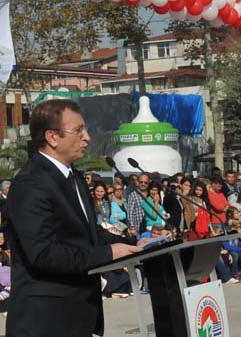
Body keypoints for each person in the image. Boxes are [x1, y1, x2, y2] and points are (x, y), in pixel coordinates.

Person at [6, 99, 142, 336]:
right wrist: (109, 253)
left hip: (80, 314)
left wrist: (134, 244)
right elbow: (44, 254)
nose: (87, 137)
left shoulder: (76, 178)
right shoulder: (31, 183)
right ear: (52, 137)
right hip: (46, 320)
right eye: (78, 130)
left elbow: (87, 233)